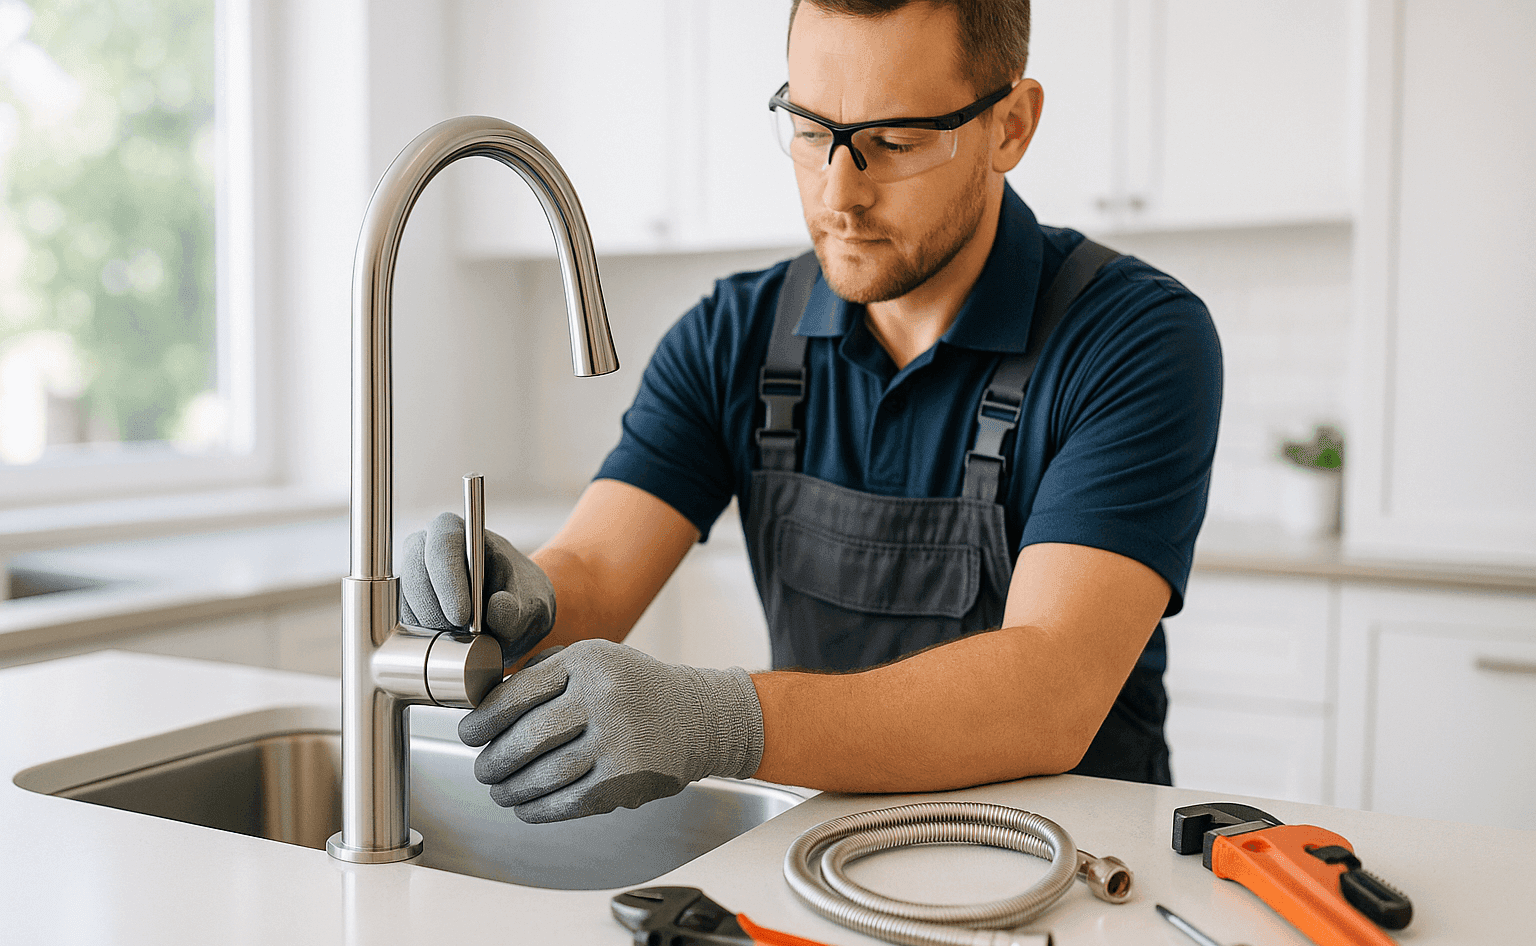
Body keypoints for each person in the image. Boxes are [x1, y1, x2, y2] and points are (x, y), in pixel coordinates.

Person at [400, 0, 1221, 823]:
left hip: (1078, 871)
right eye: (808, 127)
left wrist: (720, 721)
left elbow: (1046, 691)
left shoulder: (1134, 337)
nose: (838, 193)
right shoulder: (733, 334)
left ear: (1010, 125)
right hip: (815, 851)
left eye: (893, 143)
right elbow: (599, 571)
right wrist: (519, 595)